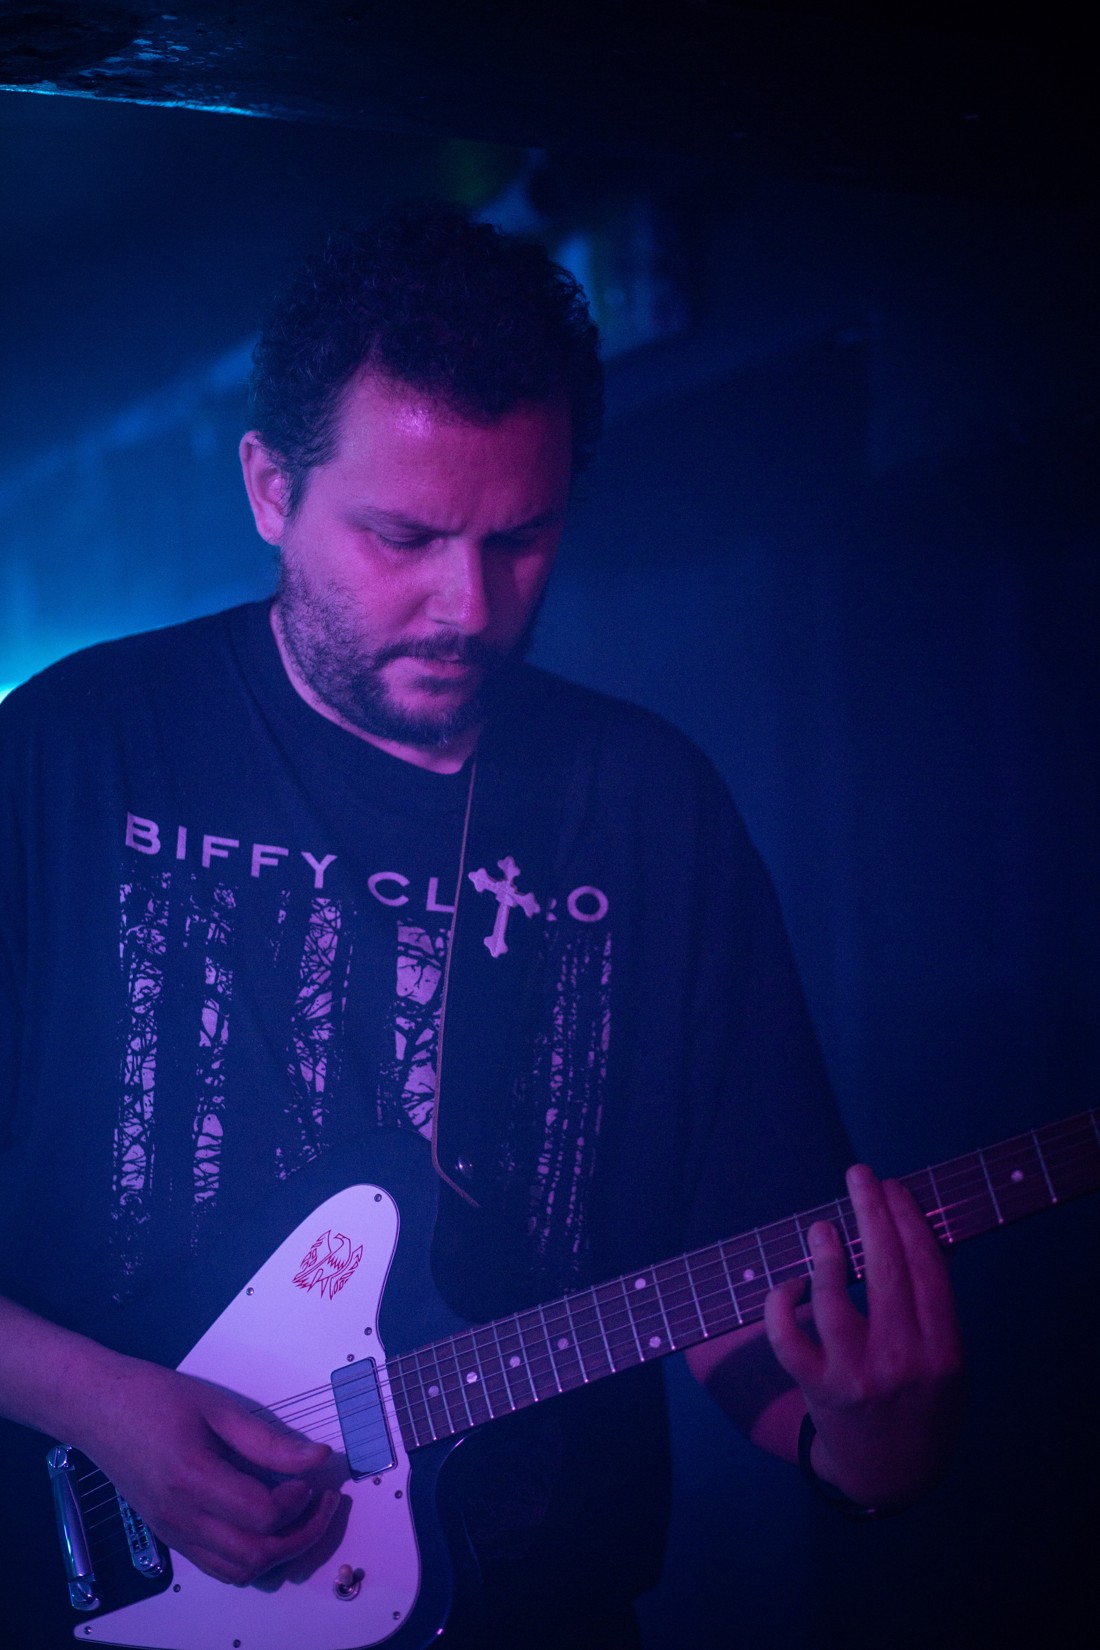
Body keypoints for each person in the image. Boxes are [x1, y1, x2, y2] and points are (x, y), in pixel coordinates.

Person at [0, 203, 963, 1648]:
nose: (468, 604)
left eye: (522, 537)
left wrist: (871, 1449)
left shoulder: (647, 809)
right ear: (270, 489)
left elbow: (734, 1277)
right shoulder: (74, 748)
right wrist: (101, 1403)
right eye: (403, 535)